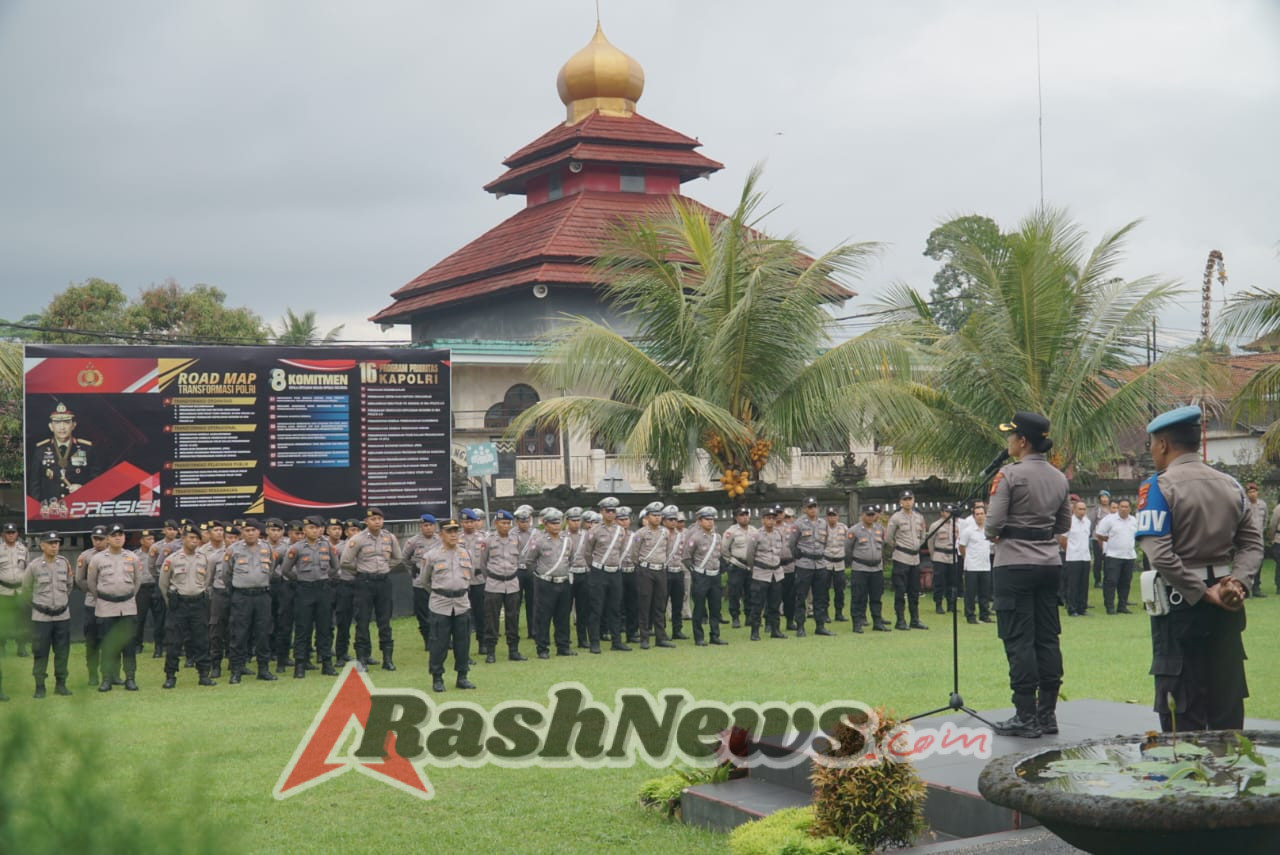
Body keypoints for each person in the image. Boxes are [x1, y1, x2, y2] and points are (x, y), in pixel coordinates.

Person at [1137, 405, 1262, 731]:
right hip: (1228, 601)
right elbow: (1252, 544)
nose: (1151, 451)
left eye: (1152, 444)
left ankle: (1188, 779)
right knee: (1226, 701)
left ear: (1163, 444)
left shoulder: (1159, 488)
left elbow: (1160, 554)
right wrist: (1239, 583)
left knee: (1181, 710)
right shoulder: (1231, 485)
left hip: (1181, 608)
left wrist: (1201, 592)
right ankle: (1227, 775)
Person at [985, 412, 1071, 738]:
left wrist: (1004, 531)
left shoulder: (1009, 475)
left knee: (1019, 639)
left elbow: (992, 524)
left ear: (1022, 441)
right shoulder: (1059, 478)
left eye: (1011, 436)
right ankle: (1047, 715)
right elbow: (1062, 525)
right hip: (1049, 564)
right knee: (1047, 638)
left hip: (1014, 563)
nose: (1008, 441)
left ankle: (1025, 715)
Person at [340, 507, 402, 671]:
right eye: (373, 519)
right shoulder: (358, 538)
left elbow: (398, 558)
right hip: (364, 583)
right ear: (366, 522)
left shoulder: (389, 537)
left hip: (383, 582)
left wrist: (384, 568)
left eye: (379, 519)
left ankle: (387, 659)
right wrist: (361, 570)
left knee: (385, 621)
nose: (377, 522)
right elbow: (345, 561)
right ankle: (362, 659)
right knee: (363, 621)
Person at [280, 515, 340, 678]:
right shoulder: (296, 548)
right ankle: (300, 664)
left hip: (323, 589)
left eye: (317, 528)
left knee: (325, 627)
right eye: (311, 528)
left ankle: (327, 663)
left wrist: (325, 577)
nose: (315, 531)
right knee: (302, 628)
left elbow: (335, 567)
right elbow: (285, 570)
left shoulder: (327, 546)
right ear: (305, 530)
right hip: (304, 590)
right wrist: (299, 580)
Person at [219, 518, 278, 683]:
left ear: (259, 532)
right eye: (247, 531)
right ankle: (236, 670)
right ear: (242, 532)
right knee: (239, 634)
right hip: (242, 596)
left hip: (262, 596)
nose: (250, 533)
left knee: (263, 633)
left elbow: (271, 570)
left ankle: (263, 669)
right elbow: (226, 574)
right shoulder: (233, 549)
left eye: (253, 530)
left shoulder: (266, 548)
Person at [158, 524, 217, 688]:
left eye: (197, 538)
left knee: (202, 640)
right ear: (183, 539)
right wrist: (172, 602)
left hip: (198, 603)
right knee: (174, 642)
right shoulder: (172, 559)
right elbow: (163, 584)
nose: (194, 541)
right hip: (179, 605)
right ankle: (170, 676)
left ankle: (204, 674)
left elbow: (207, 581)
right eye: (191, 538)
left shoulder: (204, 559)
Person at [422, 520, 476, 692]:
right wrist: (442, 592)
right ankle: (437, 678)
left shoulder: (466, 553)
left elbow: (471, 576)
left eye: (455, 531)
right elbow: (425, 581)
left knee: (463, 642)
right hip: (440, 604)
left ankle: (462, 676)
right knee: (439, 643)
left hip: (461, 603)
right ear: (441, 535)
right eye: (449, 531)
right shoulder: (431, 555)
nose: (453, 534)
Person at [88, 523, 143, 692]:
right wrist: (105, 598)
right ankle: (106, 679)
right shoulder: (97, 559)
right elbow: (91, 583)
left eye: (121, 534)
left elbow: (137, 582)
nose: (118, 537)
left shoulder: (133, 557)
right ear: (108, 539)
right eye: (114, 535)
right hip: (106, 607)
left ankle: (130, 678)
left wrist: (126, 596)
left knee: (128, 645)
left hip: (127, 607)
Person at [23, 532, 74, 698]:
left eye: (57, 543)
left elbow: (69, 586)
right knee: (40, 652)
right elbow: (26, 590)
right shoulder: (34, 566)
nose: (54, 546)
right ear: (42, 545)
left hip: (62, 616)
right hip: (41, 618)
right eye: (50, 543)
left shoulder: (64, 563)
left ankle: (61, 684)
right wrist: (39, 606)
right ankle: (40, 686)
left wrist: (60, 602)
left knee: (62, 652)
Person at [29, 402, 99, 513]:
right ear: (51, 426)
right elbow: (34, 484)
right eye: (57, 422)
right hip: (50, 509)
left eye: (66, 422)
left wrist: (83, 488)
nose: (62, 427)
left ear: (73, 425)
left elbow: (97, 478)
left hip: (77, 508)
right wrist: (38, 509)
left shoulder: (86, 449)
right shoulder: (41, 450)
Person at [478, 509, 525, 663]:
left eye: (508, 523)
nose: (506, 526)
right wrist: (492, 577)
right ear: (496, 523)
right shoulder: (488, 541)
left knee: (513, 617)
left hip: (512, 583)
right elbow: (483, 564)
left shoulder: (516, 539)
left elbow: (518, 560)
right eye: (503, 523)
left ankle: (514, 650)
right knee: (491, 618)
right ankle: (490, 651)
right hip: (494, 583)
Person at [583, 496, 629, 653]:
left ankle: (617, 641)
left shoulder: (620, 530)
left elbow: (620, 550)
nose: (611, 513)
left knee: (615, 608)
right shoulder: (594, 531)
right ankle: (594, 642)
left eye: (613, 511)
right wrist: (596, 567)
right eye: (608, 511)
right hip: (599, 572)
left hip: (615, 572)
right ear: (602, 512)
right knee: (596, 608)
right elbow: (587, 553)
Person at [529, 508, 576, 659]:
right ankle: (542, 648)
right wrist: (540, 575)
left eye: (558, 523)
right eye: (553, 523)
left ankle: (563, 646)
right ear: (546, 524)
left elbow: (571, 559)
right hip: (545, 583)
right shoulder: (539, 541)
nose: (556, 526)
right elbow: (530, 561)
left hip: (563, 581)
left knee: (563, 616)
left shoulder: (567, 540)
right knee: (543, 616)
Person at [630, 502, 673, 650]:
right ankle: (644, 638)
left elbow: (667, 550)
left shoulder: (665, 532)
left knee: (660, 604)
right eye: (654, 515)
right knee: (645, 604)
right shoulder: (640, 533)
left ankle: (660, 637)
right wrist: (642, 566)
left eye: (659, 515)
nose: (657, 518)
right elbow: (633, 554)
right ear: (647, 517)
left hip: (660, 570)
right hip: (645, 571)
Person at [884, 490, 928, 630]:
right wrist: (900, 547)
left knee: (914, 591)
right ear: (900, 502)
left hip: (915, 558)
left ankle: (915, 619)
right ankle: (900, 620)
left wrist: (915, 547)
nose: (908, 501)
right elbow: (889, 538)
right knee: (900, 591)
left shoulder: (919, 517)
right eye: (905, 499)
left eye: (910, 499)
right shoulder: (896, 518)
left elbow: (922, 536)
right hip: (901, 557)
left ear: (914, 500)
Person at [684, 506, 727, 646]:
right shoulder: (694, 537)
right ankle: (699, 637)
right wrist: (695, 572)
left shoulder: (717, 537)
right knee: (699, 608)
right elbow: (686, 557)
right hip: (701, 576)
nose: (710, 522)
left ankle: (715, 635)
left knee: (716, 607)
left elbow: (719, 555)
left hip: (714, 576)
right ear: (700, 521)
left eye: (712, 519)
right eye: (707, 519)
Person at [791, 498, 833, 637]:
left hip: (820, 564)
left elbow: (825, 542)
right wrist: (798, 555)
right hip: (804, 564)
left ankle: (820, 626)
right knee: (801, 596)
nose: (812, 509)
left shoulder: (823, 523)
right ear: (804, 509)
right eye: (809, 507)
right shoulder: (798, 524)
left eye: (814, 506)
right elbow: (792, 543)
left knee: (820, 596)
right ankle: (800, 626)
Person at [743, 507, 786, 641]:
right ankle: (755, 631)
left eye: (773, 518)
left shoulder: (778, 534)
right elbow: (750, 555)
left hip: (776, 573)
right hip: (761, 573)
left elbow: (782, 552)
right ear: (762, 520)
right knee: (757, 604)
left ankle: (775, 629)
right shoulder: (756, 535)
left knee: (775, 604)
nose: (771, 521)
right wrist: (754, 568)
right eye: (768, 518)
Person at [74, 524, 109, 685]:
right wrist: (96, 592)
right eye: (95, 539)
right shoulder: (86, 556)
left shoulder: (117, 555)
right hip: (93, 604)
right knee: (92, 642)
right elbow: (80, 580)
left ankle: (111, 675)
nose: (98, 542)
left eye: (101, 539)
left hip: (112, 606)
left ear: (107, 539)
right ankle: (93, 674)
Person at [402, 513, 441, 652]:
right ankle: (428, 640)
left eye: (431, 525)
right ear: (421, 526)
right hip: (420, 582)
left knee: (440, 613)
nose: (428, 528)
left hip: (437, 581)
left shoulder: (440, 540)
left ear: (434, 526)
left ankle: (442, 639)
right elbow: (404, 558)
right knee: (424, 614)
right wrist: (413, 572)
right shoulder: (413, 541)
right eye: (425, 525)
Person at [847, 506, 889, 633]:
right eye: (868, 514)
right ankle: (857, 623)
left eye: (872, 514)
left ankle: (877, 622)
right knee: (858, 597)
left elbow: (882, 546)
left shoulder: (880, 529)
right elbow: (847, 549)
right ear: (862, 515)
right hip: (860, 568)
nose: (871, 517)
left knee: (876, 597)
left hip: (876, 568)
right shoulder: (854, 530)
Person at [198, 521, 231, 678]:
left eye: (221, 530)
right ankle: (215, 664)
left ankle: (235, 663)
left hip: (235, 594)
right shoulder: (205, 552)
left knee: (236, 630)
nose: (219, 533)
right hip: (217, 595)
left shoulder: (235, 551)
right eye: (215, 530)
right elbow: (207, 579)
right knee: (216, 629)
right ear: (209, 533)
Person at [1095, 499, 1139, 614]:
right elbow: (1099, 534)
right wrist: (1108, 540)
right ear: (1118, 507)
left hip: (1129, 556)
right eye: (1122, 507)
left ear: (1130, 508)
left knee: (1125, 582)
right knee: (1111, 581)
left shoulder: (1134, 520)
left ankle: (1122, 605)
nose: (1124, 509)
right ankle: (1109, 607)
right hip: (1113, 555)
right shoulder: (1109, 519)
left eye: (1126, 507)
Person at [132, 528, 166, 660]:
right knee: (140, 618)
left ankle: (159, 647)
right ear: (141, 541)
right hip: (142, 588)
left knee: (159, 619)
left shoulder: (159, 553)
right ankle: (137, 644)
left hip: (156, 586)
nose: (151, 542)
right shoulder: (135, 555)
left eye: (153, 539)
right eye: (148, 539)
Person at [958, 504, 994, 623]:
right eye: (977, 514)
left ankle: (984, 614)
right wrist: (967, 558)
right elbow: (962, 546)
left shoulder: (988, 530)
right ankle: (970, 616)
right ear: (974, 516)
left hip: (985, 566)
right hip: (972, 567)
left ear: (985, 515)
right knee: (970, 593)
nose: (979, 516)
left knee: (985, 593)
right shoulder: (968, 531)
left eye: (981, 514)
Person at [0, 522, 30, 658]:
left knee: (21, 621)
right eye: (8, 532)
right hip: (3, 591)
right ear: (3, 534)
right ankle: (1, 648)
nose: (11, 535)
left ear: (17, 534)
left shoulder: (23, 549)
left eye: (13, 532)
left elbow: (28, 569)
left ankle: (21, 647)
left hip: (20, 591)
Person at [720, 508, 754, 628]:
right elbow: (724, 548)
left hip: (750, 566)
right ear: (736, 517)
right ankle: (735, 617)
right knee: (735, 593)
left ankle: (749, 616)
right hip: (736, 565)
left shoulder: (754, 531)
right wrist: (730, 561)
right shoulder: (731, 531)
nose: (745, 517)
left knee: (750, 592)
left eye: (746, 515)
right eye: (741, 515)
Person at [1060, 501, 1092, 617]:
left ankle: (1082, 608)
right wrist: (1070, 550)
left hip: (1085, 557)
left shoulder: (1087, 522)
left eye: (1084, 509)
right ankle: (1072, 608)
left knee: (1084, 584)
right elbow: (1062, 539)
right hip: (1073, 558)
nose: (1082, 511)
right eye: (1079, 509)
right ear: (1074, 509)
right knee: (1073, 584)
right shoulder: (1068, 522)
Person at [926, 506, 958, 616]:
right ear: (941, 513)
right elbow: (930, 541)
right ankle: (938, 604)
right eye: (946, 512)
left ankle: (951, 604)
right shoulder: (935, 525)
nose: (948, 514)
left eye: (950, 512)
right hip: (940, 555)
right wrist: (933, 555)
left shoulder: (956, 524)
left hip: (952, 555)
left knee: (952, 582)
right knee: (939, 582)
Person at [663, 508, 689, 641]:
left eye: (675, 520)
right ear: (664, 521)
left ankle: (677, 630)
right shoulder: (661, 534)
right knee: (661, 603)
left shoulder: (682, 535)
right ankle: (661, 631)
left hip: (678, 571)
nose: (674, 522)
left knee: (678, 602)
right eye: (670, 520)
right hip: (664, 571)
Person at [822, 508, 849, 623]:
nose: (832, 517)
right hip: (826, 562)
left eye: (834, 515)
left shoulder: (844, 528)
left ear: (838, 516)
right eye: (830, 515)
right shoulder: (822, 528)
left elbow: (849, 544)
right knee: (824, 590)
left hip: (839, 563)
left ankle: (839, 613)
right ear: (826, 517)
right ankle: (825, 613)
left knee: (840, 590)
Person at [1243, 483, 1267, 598]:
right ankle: (1245, 588)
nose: (1252, 494)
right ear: (1247, 493)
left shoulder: (1262, 505)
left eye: (1254, 491)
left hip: (1259, 539)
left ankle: (1256, 588)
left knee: (1259, 564)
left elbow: (1265, 521)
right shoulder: (1244, 505)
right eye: (1250, 492)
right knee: (1246, 564)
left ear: (1257, 492)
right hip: (1246, 540)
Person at [1087, 490, 1112, 589]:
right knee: (1098, 560)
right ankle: (1097, 580)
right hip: (1097, 538)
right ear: (1099, 499)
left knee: (1108, 560)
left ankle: (1107, 579)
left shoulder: (1111, 509)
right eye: (1102, 497)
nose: (1105, 499)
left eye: (1106, 497)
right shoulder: (1096, 510)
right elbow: (1091, 523)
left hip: (1109, 538)